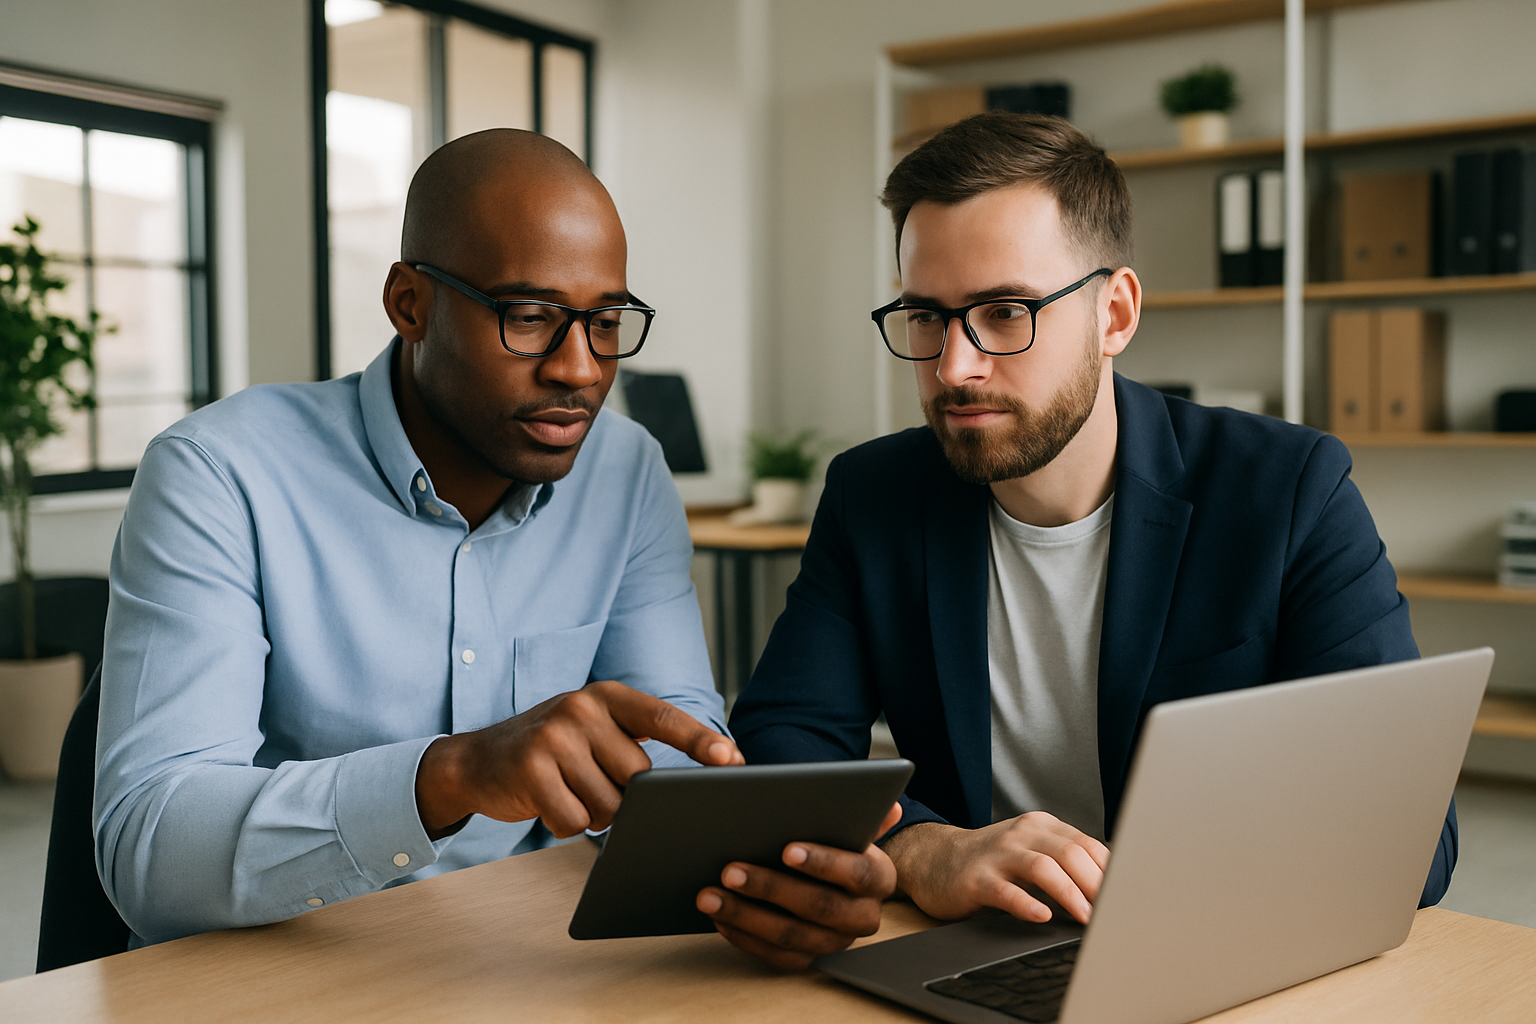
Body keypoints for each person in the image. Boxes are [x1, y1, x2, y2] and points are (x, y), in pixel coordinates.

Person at [96, 129, 894, 965]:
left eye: (606, 321)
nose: (580, 370)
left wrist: (763, 878)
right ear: (410, 303)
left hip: (522, 962)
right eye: (531, 318)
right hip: (276, 974)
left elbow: (675, 754)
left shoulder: (626, 471)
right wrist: (451, 775)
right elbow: (148, 850)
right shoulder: (219, 474)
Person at [729, 111, 1456, 928]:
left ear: (1114, 314)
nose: (953, 366)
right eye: (926, 316)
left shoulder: (1290, 490)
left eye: (1005, 311)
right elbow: (778, 748)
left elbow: (1415, 837)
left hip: (1207, 942)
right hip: (969, 947)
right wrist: (923, 848)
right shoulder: (875, 493)